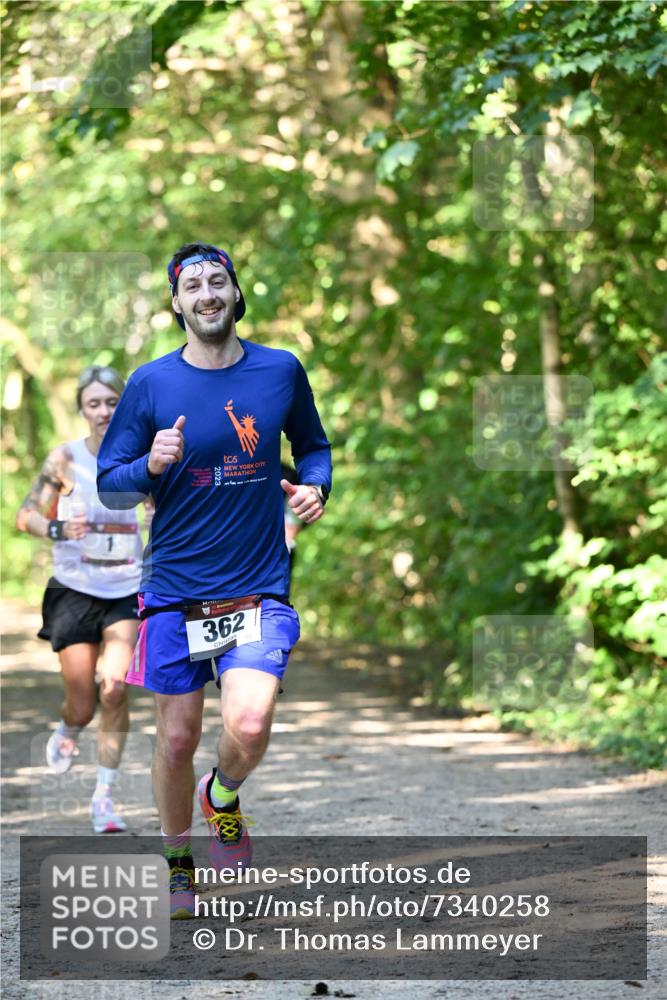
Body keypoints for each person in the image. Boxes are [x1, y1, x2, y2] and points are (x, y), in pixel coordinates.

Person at [97, 243, 332, 919]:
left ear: (234, 295)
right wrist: (148, 464)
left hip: (258, 582)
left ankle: (221, 795)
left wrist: (315, 486)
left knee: (251, 722)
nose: (206, 293)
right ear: (176, 304)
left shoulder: (279, 370)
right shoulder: (149, 384)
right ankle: (178, 867)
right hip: (174, 587)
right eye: (192, 285)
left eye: (217, 281)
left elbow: (311, 446)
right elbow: (111, 486)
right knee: (174, 739)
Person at [16, 365, 148, 833]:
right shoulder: (65, 460)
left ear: (123, 406)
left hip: (126, 590)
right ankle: (70, 728)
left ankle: (104, 798)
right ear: (82, 410)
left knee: (114, 687)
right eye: (94, 403)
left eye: (112, 402)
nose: (104, 411)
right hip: (73, 589)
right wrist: (55, 527)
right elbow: (25, 515)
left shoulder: (143, 459)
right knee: (84, 704)